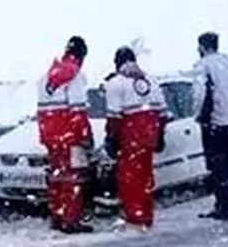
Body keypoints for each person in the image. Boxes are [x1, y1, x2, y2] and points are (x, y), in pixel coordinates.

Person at [103, 47, 168, 229]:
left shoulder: (116, 83)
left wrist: (111, 138)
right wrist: (159, 135)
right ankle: (146, 215)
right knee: (146, 176)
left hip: (130, 136)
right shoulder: (151, 80)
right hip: (149, 135)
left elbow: (114, 117)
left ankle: (134, 216)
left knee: (130, 178)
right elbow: (163, 112)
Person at [37, 36, 94, 233]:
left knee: (56, 177)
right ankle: (71, 220)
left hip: (51, 137)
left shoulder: (46, 77)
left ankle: (57, 216)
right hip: (70, 137)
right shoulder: (75, 76)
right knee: (73, 179)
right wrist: (85, 136)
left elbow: (43, 112)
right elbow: (78, 112)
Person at [193, 31, 228, 220]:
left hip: (216, 123)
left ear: (202, 46)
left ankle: (223, 206)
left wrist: (199, 116)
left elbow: (200, 95)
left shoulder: (203, 66)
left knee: (219, 165)